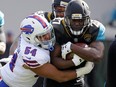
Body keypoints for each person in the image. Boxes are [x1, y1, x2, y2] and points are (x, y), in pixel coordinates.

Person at [0, 14, 94, 87]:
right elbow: (61, 77)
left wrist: (12, 57)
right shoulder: (33, 56)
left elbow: (18, 41)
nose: (48, 37)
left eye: (48, 33)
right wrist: (84, 70)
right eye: (43, 36)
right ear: (30, 38)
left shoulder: (26, 36)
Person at [45, 0, 105, 87]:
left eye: (80, 20)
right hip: (54, 78)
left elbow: (97, 56)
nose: (77, 24)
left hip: (78, 79)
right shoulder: (57, 28)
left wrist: (71, 47)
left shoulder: (95, 29)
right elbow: (55, 61)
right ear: (66, 19)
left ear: (87, 19)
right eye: (73, 20)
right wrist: (76, 61)